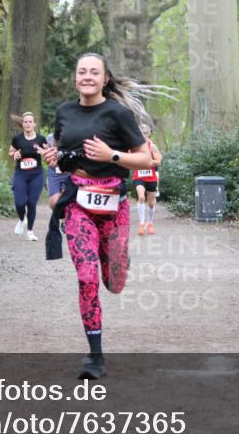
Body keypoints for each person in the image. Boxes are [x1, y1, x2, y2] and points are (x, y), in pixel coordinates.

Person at [38, 53, 157, 380]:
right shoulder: (64, 112)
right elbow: (62, 157)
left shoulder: (118, 114)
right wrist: (54, 160)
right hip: (78, 204)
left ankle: (120, 260)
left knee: (114, 283)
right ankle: (95, 357)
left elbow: (145, 158)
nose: (87, 76)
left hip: (113, 203)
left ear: (105, 79)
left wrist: (111, 155)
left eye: (94, 72)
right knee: (87, 277)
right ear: (75, 78)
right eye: (82, 72)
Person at [8, 112, 45, 241]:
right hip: (21, 174)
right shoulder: (17, 139)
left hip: (37, 174)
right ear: (22, 124)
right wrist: (14, 155)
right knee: (19, 202)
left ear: (34, 124)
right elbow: (11, 152)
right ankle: (21, 219)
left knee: (31, 203)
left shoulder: (41, 139)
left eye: (30, 121)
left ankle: (30, 231)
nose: (28, 124)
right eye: (25, 122)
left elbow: (49, 153)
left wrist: (44, 152)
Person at [133, 124, 162, 235]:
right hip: (139, 177)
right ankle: (141, 224)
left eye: (145, 133)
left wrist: (149, 162)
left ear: (149, 133)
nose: (143, 135)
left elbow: (158, 161)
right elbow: (129, 158)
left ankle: (149, 224)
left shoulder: (152, 146)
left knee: (150, 203)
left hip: (151, 177)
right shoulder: (135, 146)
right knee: (141, 197)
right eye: (141, 132)